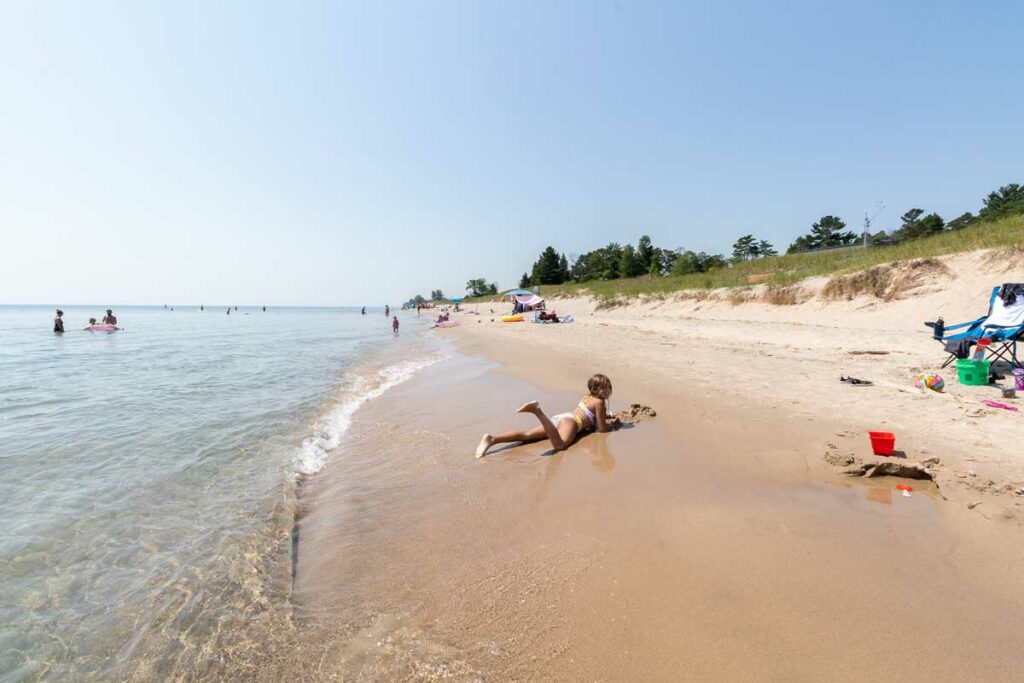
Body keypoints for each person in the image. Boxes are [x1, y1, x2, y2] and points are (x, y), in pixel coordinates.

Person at [476, 374, 614, 458]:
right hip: (572, 422)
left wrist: (607, 415)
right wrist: (613, 425)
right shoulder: (600, 402)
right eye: (606, 388)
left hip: (562, 418)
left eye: (608, 387)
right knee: (560, 445)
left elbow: (592, 415)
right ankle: (538, 412)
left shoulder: (588, 397)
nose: (608, 390)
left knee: (527, 435)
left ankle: (492, 439)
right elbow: (601, 428)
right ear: (598, 391)